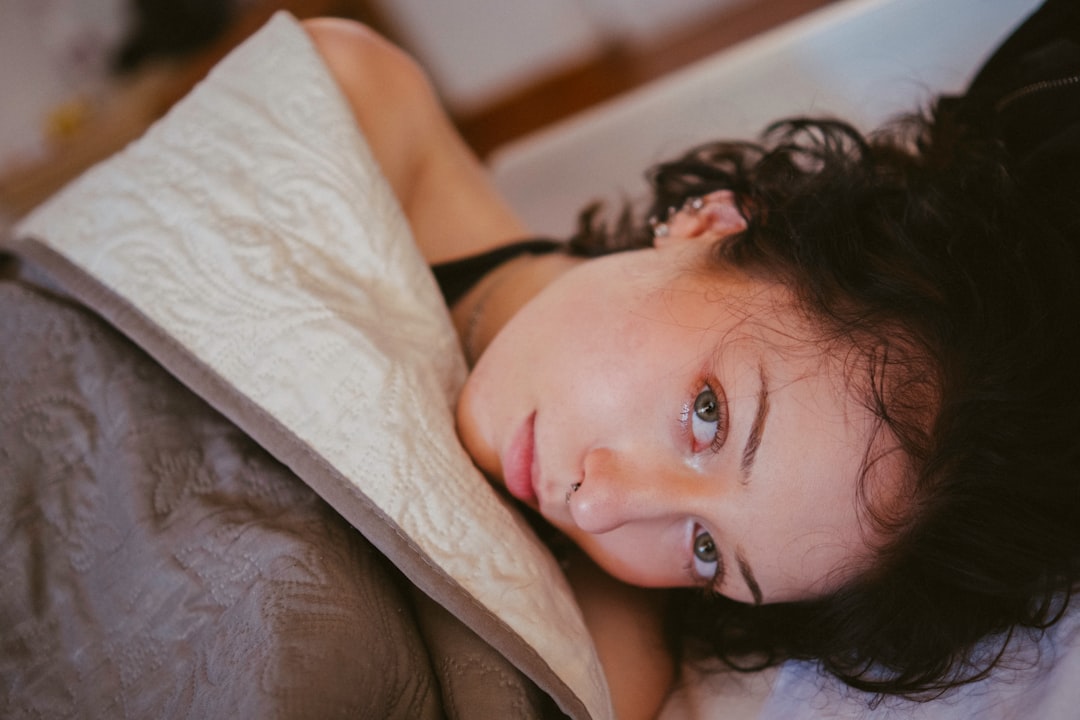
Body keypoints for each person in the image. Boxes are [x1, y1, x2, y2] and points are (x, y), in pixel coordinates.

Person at [302, 1, 1080, 717]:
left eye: (706, 551)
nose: (600, 506)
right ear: (709, 225)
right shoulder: (351, 105)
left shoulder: (614, 615)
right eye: (707, 414)